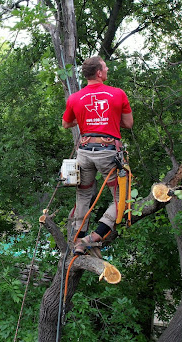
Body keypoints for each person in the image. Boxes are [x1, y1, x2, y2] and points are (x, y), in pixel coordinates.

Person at [61, 56, 133, 255]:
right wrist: (106, 120)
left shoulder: (75, 98)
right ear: (99, 73)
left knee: (83, 193)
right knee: (123, 198)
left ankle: (78, 237)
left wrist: (87, 121)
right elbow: (128, 124)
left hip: (84, 152)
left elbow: (66, 123)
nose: (107, 69)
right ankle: (92, 238)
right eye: (105, 67)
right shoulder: (117, 94)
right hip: (107, 153)